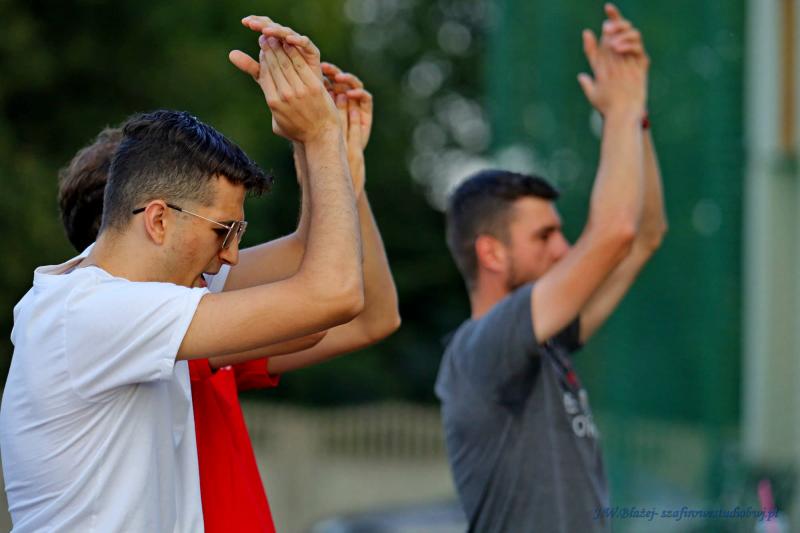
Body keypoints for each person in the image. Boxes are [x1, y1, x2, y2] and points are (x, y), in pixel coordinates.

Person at [0, 20, 383, 532]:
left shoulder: (137, 294)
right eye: (224, 231)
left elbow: (307, 292)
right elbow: (333, 295)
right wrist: (321, 135)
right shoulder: (92, 313)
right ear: (159, 220)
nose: (231, 257)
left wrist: (309, 136)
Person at [435, 5, 666, 532]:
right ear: (491, 253)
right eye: (544, 236)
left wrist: (635, 117)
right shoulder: (482, 349)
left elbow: (643, 236)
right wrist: (620, 110)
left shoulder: (547, 343)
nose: (563, 249)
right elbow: (615, 233)